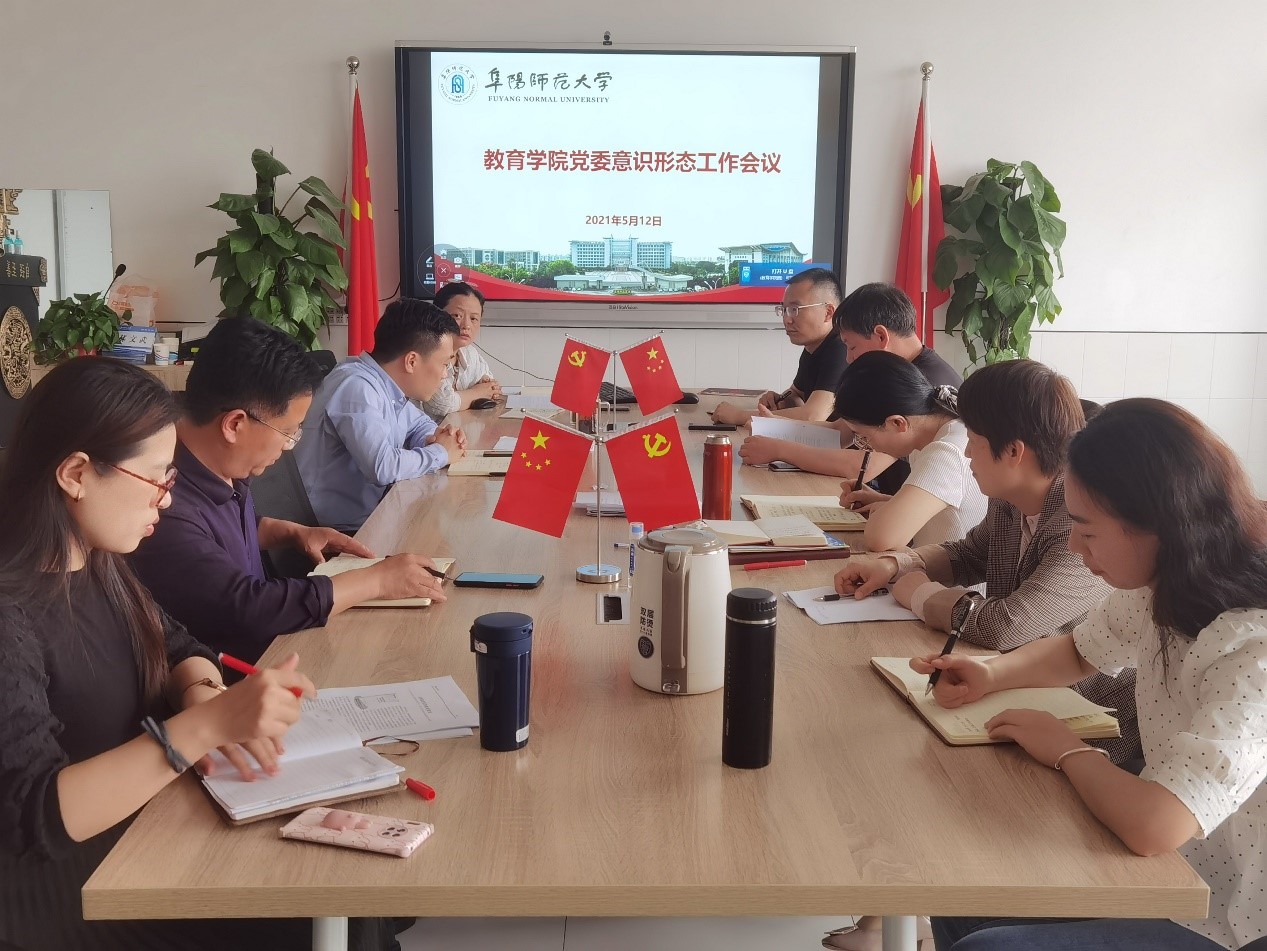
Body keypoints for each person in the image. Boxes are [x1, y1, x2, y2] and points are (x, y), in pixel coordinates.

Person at [0, 357, 401, 950]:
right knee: (314, 915)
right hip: (66, 891)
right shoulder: (12, 612)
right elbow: (34, 814)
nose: (167, 501)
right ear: (77, 473)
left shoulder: (99, 562)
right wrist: (206, 727)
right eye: (156, 480)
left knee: (350, 897)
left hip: (146, 827)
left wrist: (204, 694)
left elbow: (177, 644)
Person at [921, 399, 1267, 951]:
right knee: (955, 888)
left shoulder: (1252, 646)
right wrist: (990, 672)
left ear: (1160, 524)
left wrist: (1067, 749)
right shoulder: (1164, 585)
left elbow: (1156, 825)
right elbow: (1080, 651)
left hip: (1235, 917)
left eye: (1086, 530)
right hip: (1182, 865)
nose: (1074, 547)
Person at [832, 359, 1135, 761]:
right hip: (1016, 688)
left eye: (974, 440)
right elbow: (970, 553)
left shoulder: (1080, 522)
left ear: (1013, 451)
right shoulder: (1011, 497)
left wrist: (919, 594)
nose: (966, 452)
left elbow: (1007, 625)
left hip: (1091, 721)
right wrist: (895, 565)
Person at [131, 317, 446, 664]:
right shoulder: (160, 502)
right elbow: (250, 606)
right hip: (239, 675)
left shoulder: (222, 463)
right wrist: (377, 582)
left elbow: (220, 531)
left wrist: (292, 533)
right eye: (288, 431)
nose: (289, 445)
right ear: (234, 424)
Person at [739, 282, 961, 487]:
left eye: (851, 346)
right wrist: (774, 426)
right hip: (881, 498)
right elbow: (841, 432)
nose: (848, 358)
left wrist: (780, 449)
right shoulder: (890, 372)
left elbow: (863, 465)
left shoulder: (922, 384)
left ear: (881, 336)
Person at [295, 298, 468, 531]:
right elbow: (382, 467)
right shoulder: (356, 386)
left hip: (375, 516)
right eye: (444, 364)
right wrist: (441, 452)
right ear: (411, 361)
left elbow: (418, 425)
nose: (445, 374)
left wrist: (436, 437)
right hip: (336, 532)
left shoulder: (386, 384)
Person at [832, 351, 987, 550]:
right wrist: (886, 501)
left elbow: (882, 538)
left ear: (897, 423)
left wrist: (887, 515)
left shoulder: (947, 451)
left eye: (864, 436)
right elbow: (944, 512)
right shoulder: (930, 435)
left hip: (950, 570)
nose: (866, 445)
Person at [711, 267, 848, 425]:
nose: (787, 319)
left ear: (828, 312)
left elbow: (813, 415)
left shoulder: (841, 347)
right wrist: (782, 399)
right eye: (784, 310)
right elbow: (797, 394)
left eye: (795, 309)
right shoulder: (813, 347)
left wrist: (740, 416)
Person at [420, 281, 501, 420]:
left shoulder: (469, 352)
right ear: (437, 315)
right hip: (426, 431)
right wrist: (478, 393)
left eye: (474, 318)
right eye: (457, 316)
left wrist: (485, 387)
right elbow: (441, 404)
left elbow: (491, 388)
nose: (466, 325)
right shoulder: (428, 351)